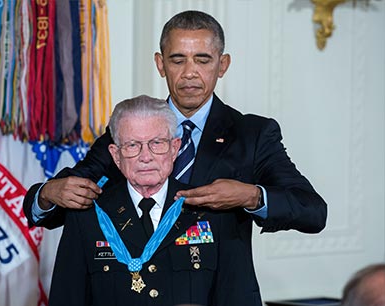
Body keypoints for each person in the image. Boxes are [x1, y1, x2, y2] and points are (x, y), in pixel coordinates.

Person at [24, 10, 327, 305]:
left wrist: (250, 196)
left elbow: (312, 212)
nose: (190, 72)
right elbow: (75, 191)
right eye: (178, 59)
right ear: (160, 64)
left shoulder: (252, 134)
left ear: (222, 65)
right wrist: (48, 194)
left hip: (219, 293)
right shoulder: (134, 127)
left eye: (203, 59)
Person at [48, 95, 243, 305]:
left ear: (175, 148)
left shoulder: (211, 209)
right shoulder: (88, 214)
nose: (145, 156)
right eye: (132, 145)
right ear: (115, 155)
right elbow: (66, 298)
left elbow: (234, 297)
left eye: (157, 143)